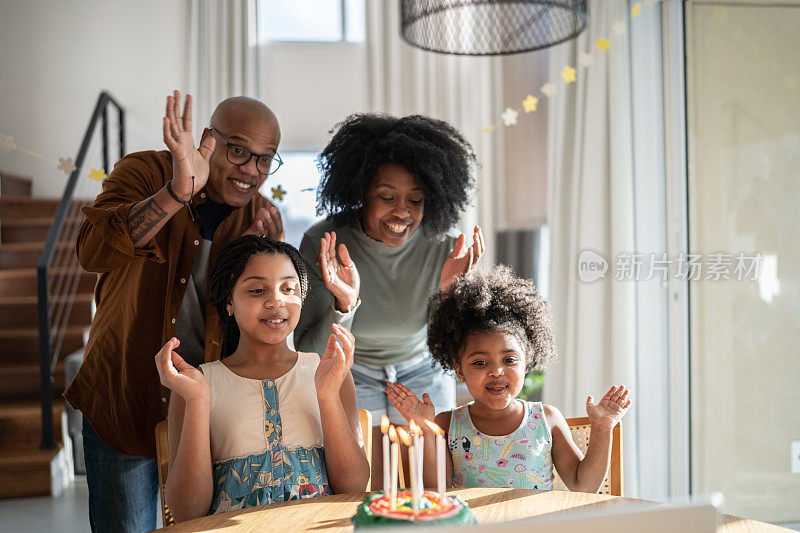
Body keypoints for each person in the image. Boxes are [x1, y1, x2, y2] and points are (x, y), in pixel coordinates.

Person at [65, 90, 285, 532]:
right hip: (124, 395)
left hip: (204, 414)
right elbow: (91, 253)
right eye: (239, 150)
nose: (251, 170)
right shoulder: (145, 172)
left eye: (265, 159)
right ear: (209, 138)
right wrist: (176, 194)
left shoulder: (260, 216)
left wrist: (271, 259)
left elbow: (261, 327)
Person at [294, 113, 485, 489]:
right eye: (387, 197)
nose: (403, 212)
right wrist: (344, 306)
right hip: (353, 374)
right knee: (367, 490)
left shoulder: (445, 247)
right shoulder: (325, 243)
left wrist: (451, 297)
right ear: (360, 190)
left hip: (424, 372)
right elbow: (309, 351)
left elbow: (463, 347)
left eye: (416, 199)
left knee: (433, 487)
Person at [155, 236, 368, 521]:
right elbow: (186, 511)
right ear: (229, 301)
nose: (276, 300)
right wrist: (197, 401)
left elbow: (353, 487)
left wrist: (328, 396)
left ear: (301, 299)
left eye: (288, 288)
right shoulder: (196, 384)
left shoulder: (331, 371)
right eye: (257, 290)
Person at [385, 266, 632, 491]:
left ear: (527, 363)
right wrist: (426, 429)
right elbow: (435, 490)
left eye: (509, 360)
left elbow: (583, 486)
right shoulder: (447, 424)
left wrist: (601, 428)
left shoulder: (547, 419)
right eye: (480, 363)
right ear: (459, 370)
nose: (496, 371)